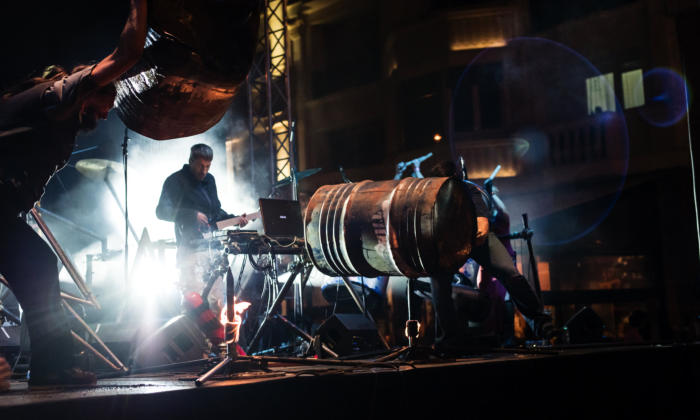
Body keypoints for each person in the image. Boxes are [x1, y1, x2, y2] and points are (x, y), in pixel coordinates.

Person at [0, 0, 148, 387]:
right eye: (104, 106)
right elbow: (127, 54)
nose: (105, 115)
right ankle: (51, 367)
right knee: (37, 266)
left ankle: (50, 368)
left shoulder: (55, 112)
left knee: (38, 266)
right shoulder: (62, 95)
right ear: (90, 90)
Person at [428, 160, 554, 350]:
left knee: (510, 274)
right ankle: (448, 341)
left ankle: (542, 325)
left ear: (455, 180)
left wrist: (462, 244)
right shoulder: (431, 196)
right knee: (439, 282)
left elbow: (482, 229)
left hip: (475, 237)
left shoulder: (469, 190)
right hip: (448, 241)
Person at [156, 144, 248, 312]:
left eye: (208, 166)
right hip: (190, 252)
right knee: (193, 305)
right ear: (191, 161)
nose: (204, 171)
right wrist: (192, 215)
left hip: (213, 252)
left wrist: (234, 219)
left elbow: (215, 212)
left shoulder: (210, 180)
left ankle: (217, 330)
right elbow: (161, 211)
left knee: (217, 304)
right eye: (200, 166)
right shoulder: (175, 181)